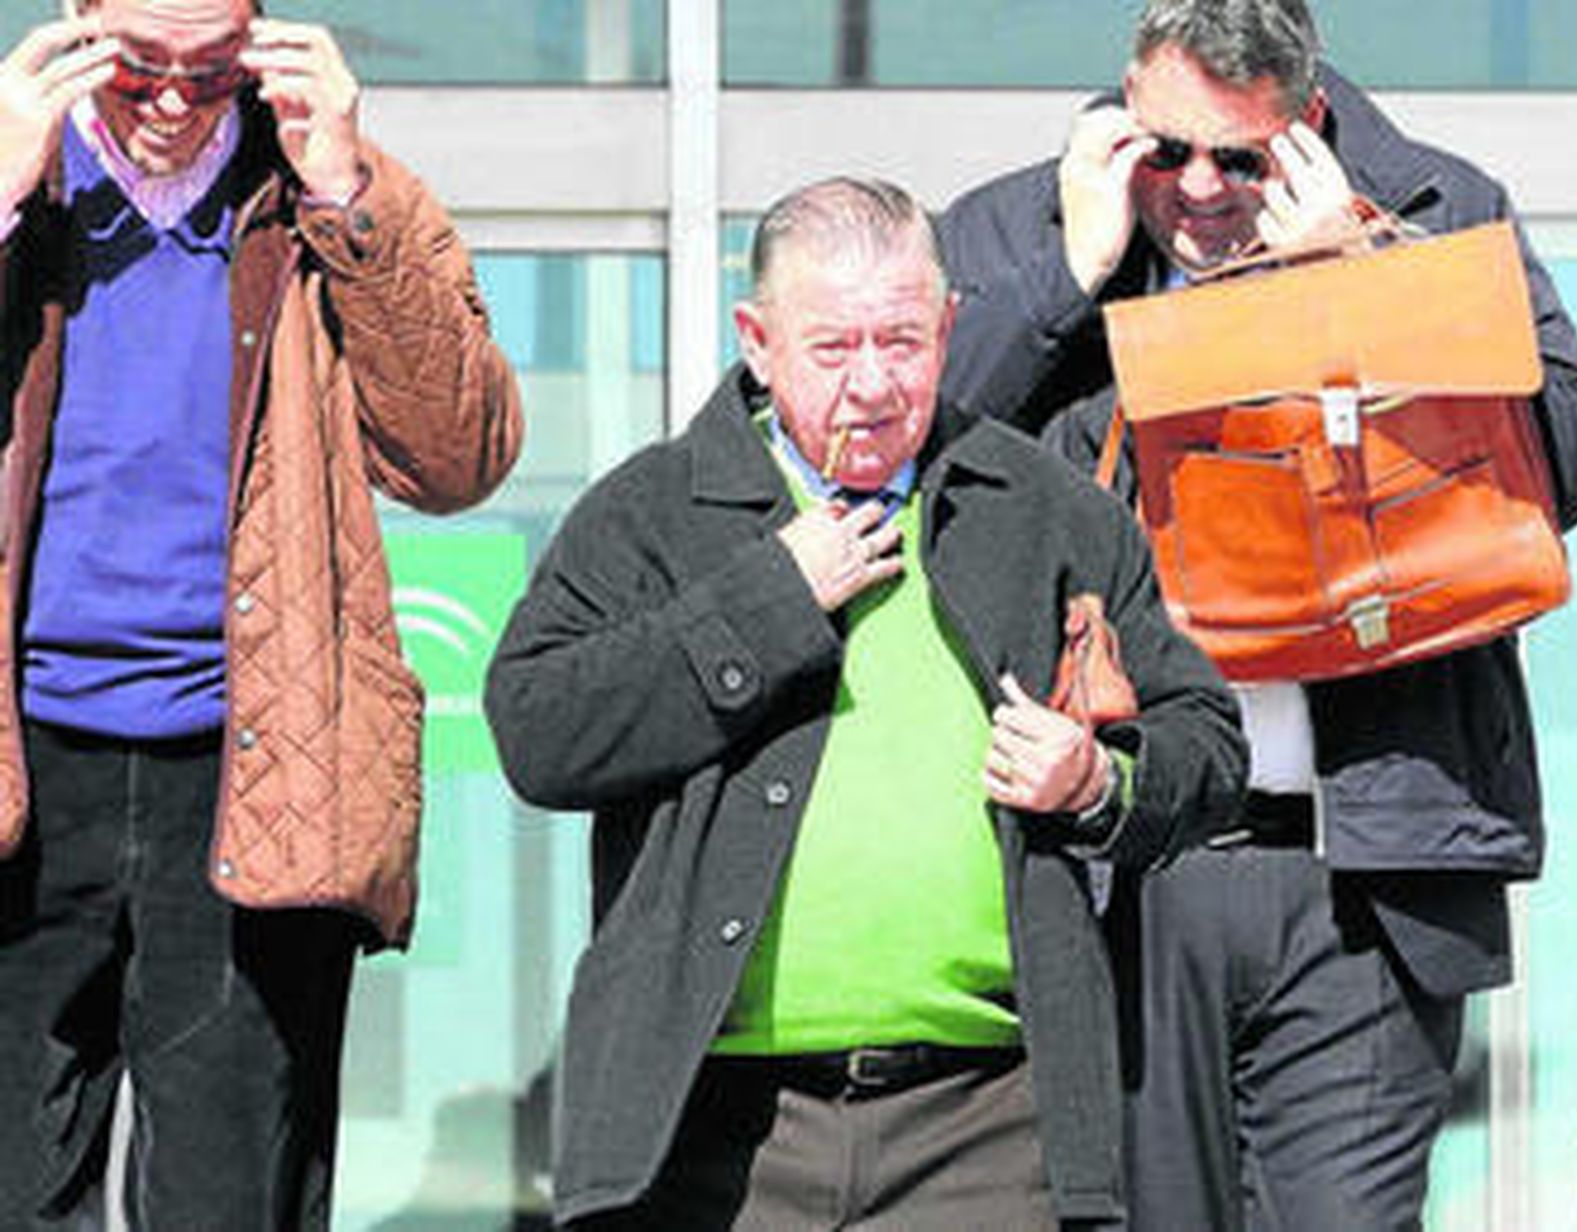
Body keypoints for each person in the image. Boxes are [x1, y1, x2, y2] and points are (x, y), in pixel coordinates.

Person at [935, 1, 1577, 1229]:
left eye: (1236, 158)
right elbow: (907, 465)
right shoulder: (1020, 230)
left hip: (1365, 868)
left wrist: (1369, 286)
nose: (1195, 188)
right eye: (1163, 148)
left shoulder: (1437, 208)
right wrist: (1061, 285)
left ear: (1307, 120)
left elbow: (1569, 457)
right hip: (1116, 861)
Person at [485, 177, 1246, 1230]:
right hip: (712, 1124)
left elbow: (1208, 745)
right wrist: (770, 600)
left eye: (902, 342)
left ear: (947, 327)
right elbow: (537, 728)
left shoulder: (1046, 511)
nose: (874, 384)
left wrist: (1095, 782)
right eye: (834, 348)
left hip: (989, 1122)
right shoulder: (653, 511)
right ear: (757, 342)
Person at [0, 0, 523, 1227]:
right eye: (138, 68)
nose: (174, 102)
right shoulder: (22, 173)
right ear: (75, 23)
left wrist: (344, 191)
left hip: (257, 768)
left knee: (236, 1197)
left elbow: (459, 455)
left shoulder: (322, 192)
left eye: (209, 70)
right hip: (22, 772)